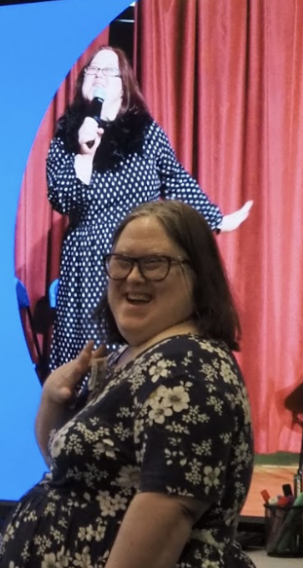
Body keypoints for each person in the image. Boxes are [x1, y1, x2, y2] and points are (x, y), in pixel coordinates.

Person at [0, 200, 271, 568]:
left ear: (198, 274)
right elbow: (72, 473)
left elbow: (169, 511)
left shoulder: (187, 365)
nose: (133, 277)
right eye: (122, 261)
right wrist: (53, 402)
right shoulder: (134, 359)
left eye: (154, 263)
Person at [46, 45, 253, 375]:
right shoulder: (66, 137)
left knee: (130, 355)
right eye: (92, 71)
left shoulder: (146, 133)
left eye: (107, 72)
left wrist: (217, 219)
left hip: (136, 257)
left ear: (123, 85)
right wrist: (83, 155)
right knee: (86, 362)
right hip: (87, 262)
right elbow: (62, 199)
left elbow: (175, 179)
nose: (98, 76)